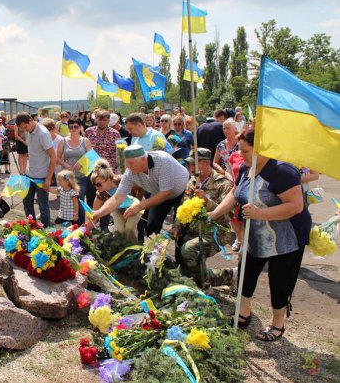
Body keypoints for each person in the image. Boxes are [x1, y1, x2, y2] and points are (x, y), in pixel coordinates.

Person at [209, 129, 311, 341]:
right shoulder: (247, 166)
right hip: (255, 233)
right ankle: (243, 314)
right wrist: (215, 213)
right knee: (247, 272)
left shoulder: (283, 171)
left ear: (262, 148)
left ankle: (277, 324)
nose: (241, 155)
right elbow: (235, 192)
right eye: (240, 151)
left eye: (246, 151)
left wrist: (261, 213)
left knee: (279, 280)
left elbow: (296, 206)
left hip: (286, 237)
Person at [92, 145, 188, 240]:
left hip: (183, 193)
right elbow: (117, 198)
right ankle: (154, 253)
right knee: (151, 227)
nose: (128, 167)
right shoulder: (130, 172)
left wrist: (139, 206)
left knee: (180, 230)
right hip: (159, 193)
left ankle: (179, 255)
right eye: (127, 163)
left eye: (131, 163)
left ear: (143, 159)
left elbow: (166, 192)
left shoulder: (163, 160)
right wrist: (98, 213)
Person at [170, 148, 235, 288]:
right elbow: (183, 206)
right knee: (182, 259)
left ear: (206, 163)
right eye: (189, 164)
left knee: (188, 250)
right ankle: (200, 280)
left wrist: (207, 201)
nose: (190, 168)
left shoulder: (222, 183)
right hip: (194, 229)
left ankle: (223, 277)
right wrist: (176, 226)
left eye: (194, 164)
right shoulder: (193, 181)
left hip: (215, 232)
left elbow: (227, 214)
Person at [17, 112, 56, 227]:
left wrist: (48, 179)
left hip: (42, 177)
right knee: (27, 204)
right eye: (22, 128)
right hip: (29, 175)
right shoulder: (28, 131)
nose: (24, 130)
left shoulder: (43, 133)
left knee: (43, 206)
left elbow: (53, 158)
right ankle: (32, 228)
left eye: (25, 127)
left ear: (30, 121)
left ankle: (46, 231)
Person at [88, 159, 141, 241]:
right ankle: (124, 249)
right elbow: (94, 217)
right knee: (120, 231)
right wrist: (81, 230)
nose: (96, 187)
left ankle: (134, 250)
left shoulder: (122, 181)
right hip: (118, 207)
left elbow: (141, 187)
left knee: (129, 228)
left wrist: (139, 204)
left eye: (98, 184)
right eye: (94, 184)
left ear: (108, 179)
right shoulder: (101, 194)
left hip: (134, 204)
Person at [57, 118, 92, 223]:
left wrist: (81, 163)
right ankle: (70, 226)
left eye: (76, 126)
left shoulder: (85, 141)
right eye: (71, 126)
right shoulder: (62, 141)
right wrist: (66, 165)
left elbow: (91, 157)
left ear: (80, 127)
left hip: (81, 176)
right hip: (67, 178)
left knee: (79, 201)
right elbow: (57, 158)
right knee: (68, 202)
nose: (73, 129)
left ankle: (80, 226)